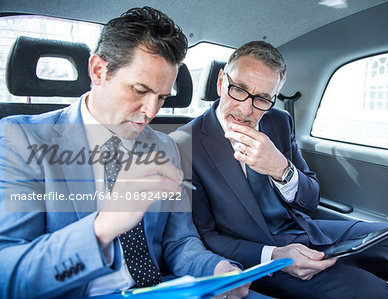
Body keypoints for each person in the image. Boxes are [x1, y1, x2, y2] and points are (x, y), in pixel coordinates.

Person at [0, 7, 250, 299]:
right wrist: (103, 227)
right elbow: (9, 273)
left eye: (161, 97)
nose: (151, 111)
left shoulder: (163, 146)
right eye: (139, 90)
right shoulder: (21, 140)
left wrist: (217, 270)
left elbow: (179, 241)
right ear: (98, 71)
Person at [172, 41, 388, 299]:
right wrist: (276, 255)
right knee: (370, 291)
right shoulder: (184, 143)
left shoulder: (278, 121)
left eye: (262, 99)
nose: (246, 109)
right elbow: (204, 237)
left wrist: (281, 168)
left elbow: (311, 199)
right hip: (260, 257)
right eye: (239, 90)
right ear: (222, 81)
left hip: (305, 231)